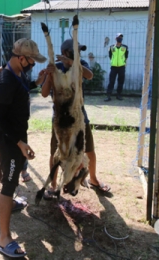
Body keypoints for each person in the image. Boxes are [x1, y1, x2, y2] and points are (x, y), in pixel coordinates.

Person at [0, 38, 46, 258]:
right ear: (20, 58)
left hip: (16, 137)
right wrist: (20, 143)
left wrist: (37, 82)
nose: (33, 66)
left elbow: (22, 90)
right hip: (9, 139)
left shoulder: (18, 74)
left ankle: (12, 201)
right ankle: (3, 238)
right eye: (32, 62)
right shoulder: (5, 80)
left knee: (12, 177)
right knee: (9, 182)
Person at [41, 39, 112, 199]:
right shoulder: (56, 68)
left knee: (90, 151)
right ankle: (53, 186)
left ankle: (93, 180)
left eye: (79, 51)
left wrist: (72, 62)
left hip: (80, 118)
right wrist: (48, 75)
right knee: (55, 153)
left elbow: (89, 75)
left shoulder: (80, 64)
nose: (79, 53)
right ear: (66, 52)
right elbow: (45, 93)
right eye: (76, 50)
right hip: (60, 121)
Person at [105, 33, 129, 101]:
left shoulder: (125, 47)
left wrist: (123, 63)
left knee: (120, 81)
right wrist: (114, 62)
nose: (120, 38)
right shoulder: (111, 47)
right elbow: (110, 56)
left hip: (121, 67)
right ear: (115, 38)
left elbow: (126, 56)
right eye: (118, 37)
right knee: (111, 81)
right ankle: (108, 96)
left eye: (121, 37)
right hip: (114, 67)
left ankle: (119, 95)